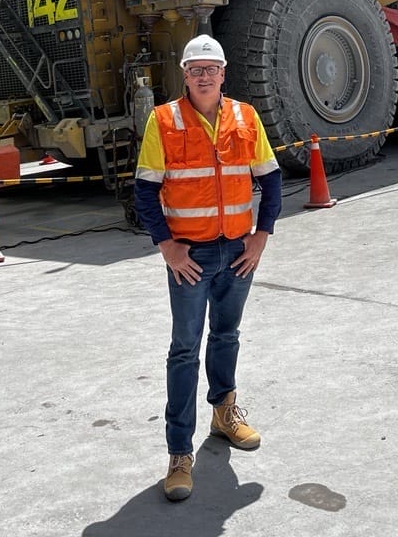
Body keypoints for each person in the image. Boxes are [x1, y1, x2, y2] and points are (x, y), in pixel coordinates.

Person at [130, 34, 282, 502]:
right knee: (184, 349)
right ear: (185, 74)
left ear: (223, 73)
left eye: (211, 68)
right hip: (191, 260)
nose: (203, 76)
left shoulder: (246, 117)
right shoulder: (164, 120)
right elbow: (144, 192)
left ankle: (225, 412)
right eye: (195, 69)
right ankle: (179, 454)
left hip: (238, 251)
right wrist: (168, 248)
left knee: (227, 336)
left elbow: (272, 180)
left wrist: (261, 234)